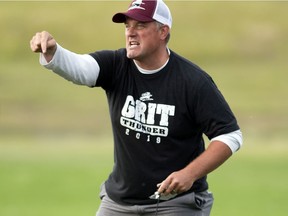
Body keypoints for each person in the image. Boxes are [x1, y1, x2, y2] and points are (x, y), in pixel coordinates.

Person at [30, 0, 243, 215]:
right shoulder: (116, 65)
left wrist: (189, 174)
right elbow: (81, 69)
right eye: (127, 26)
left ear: (163, 31)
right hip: (119, 202)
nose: (131, 33)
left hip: (176, 203)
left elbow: (229, 136)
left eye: (140, 25)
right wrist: (54, 52)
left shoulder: (193, 81)